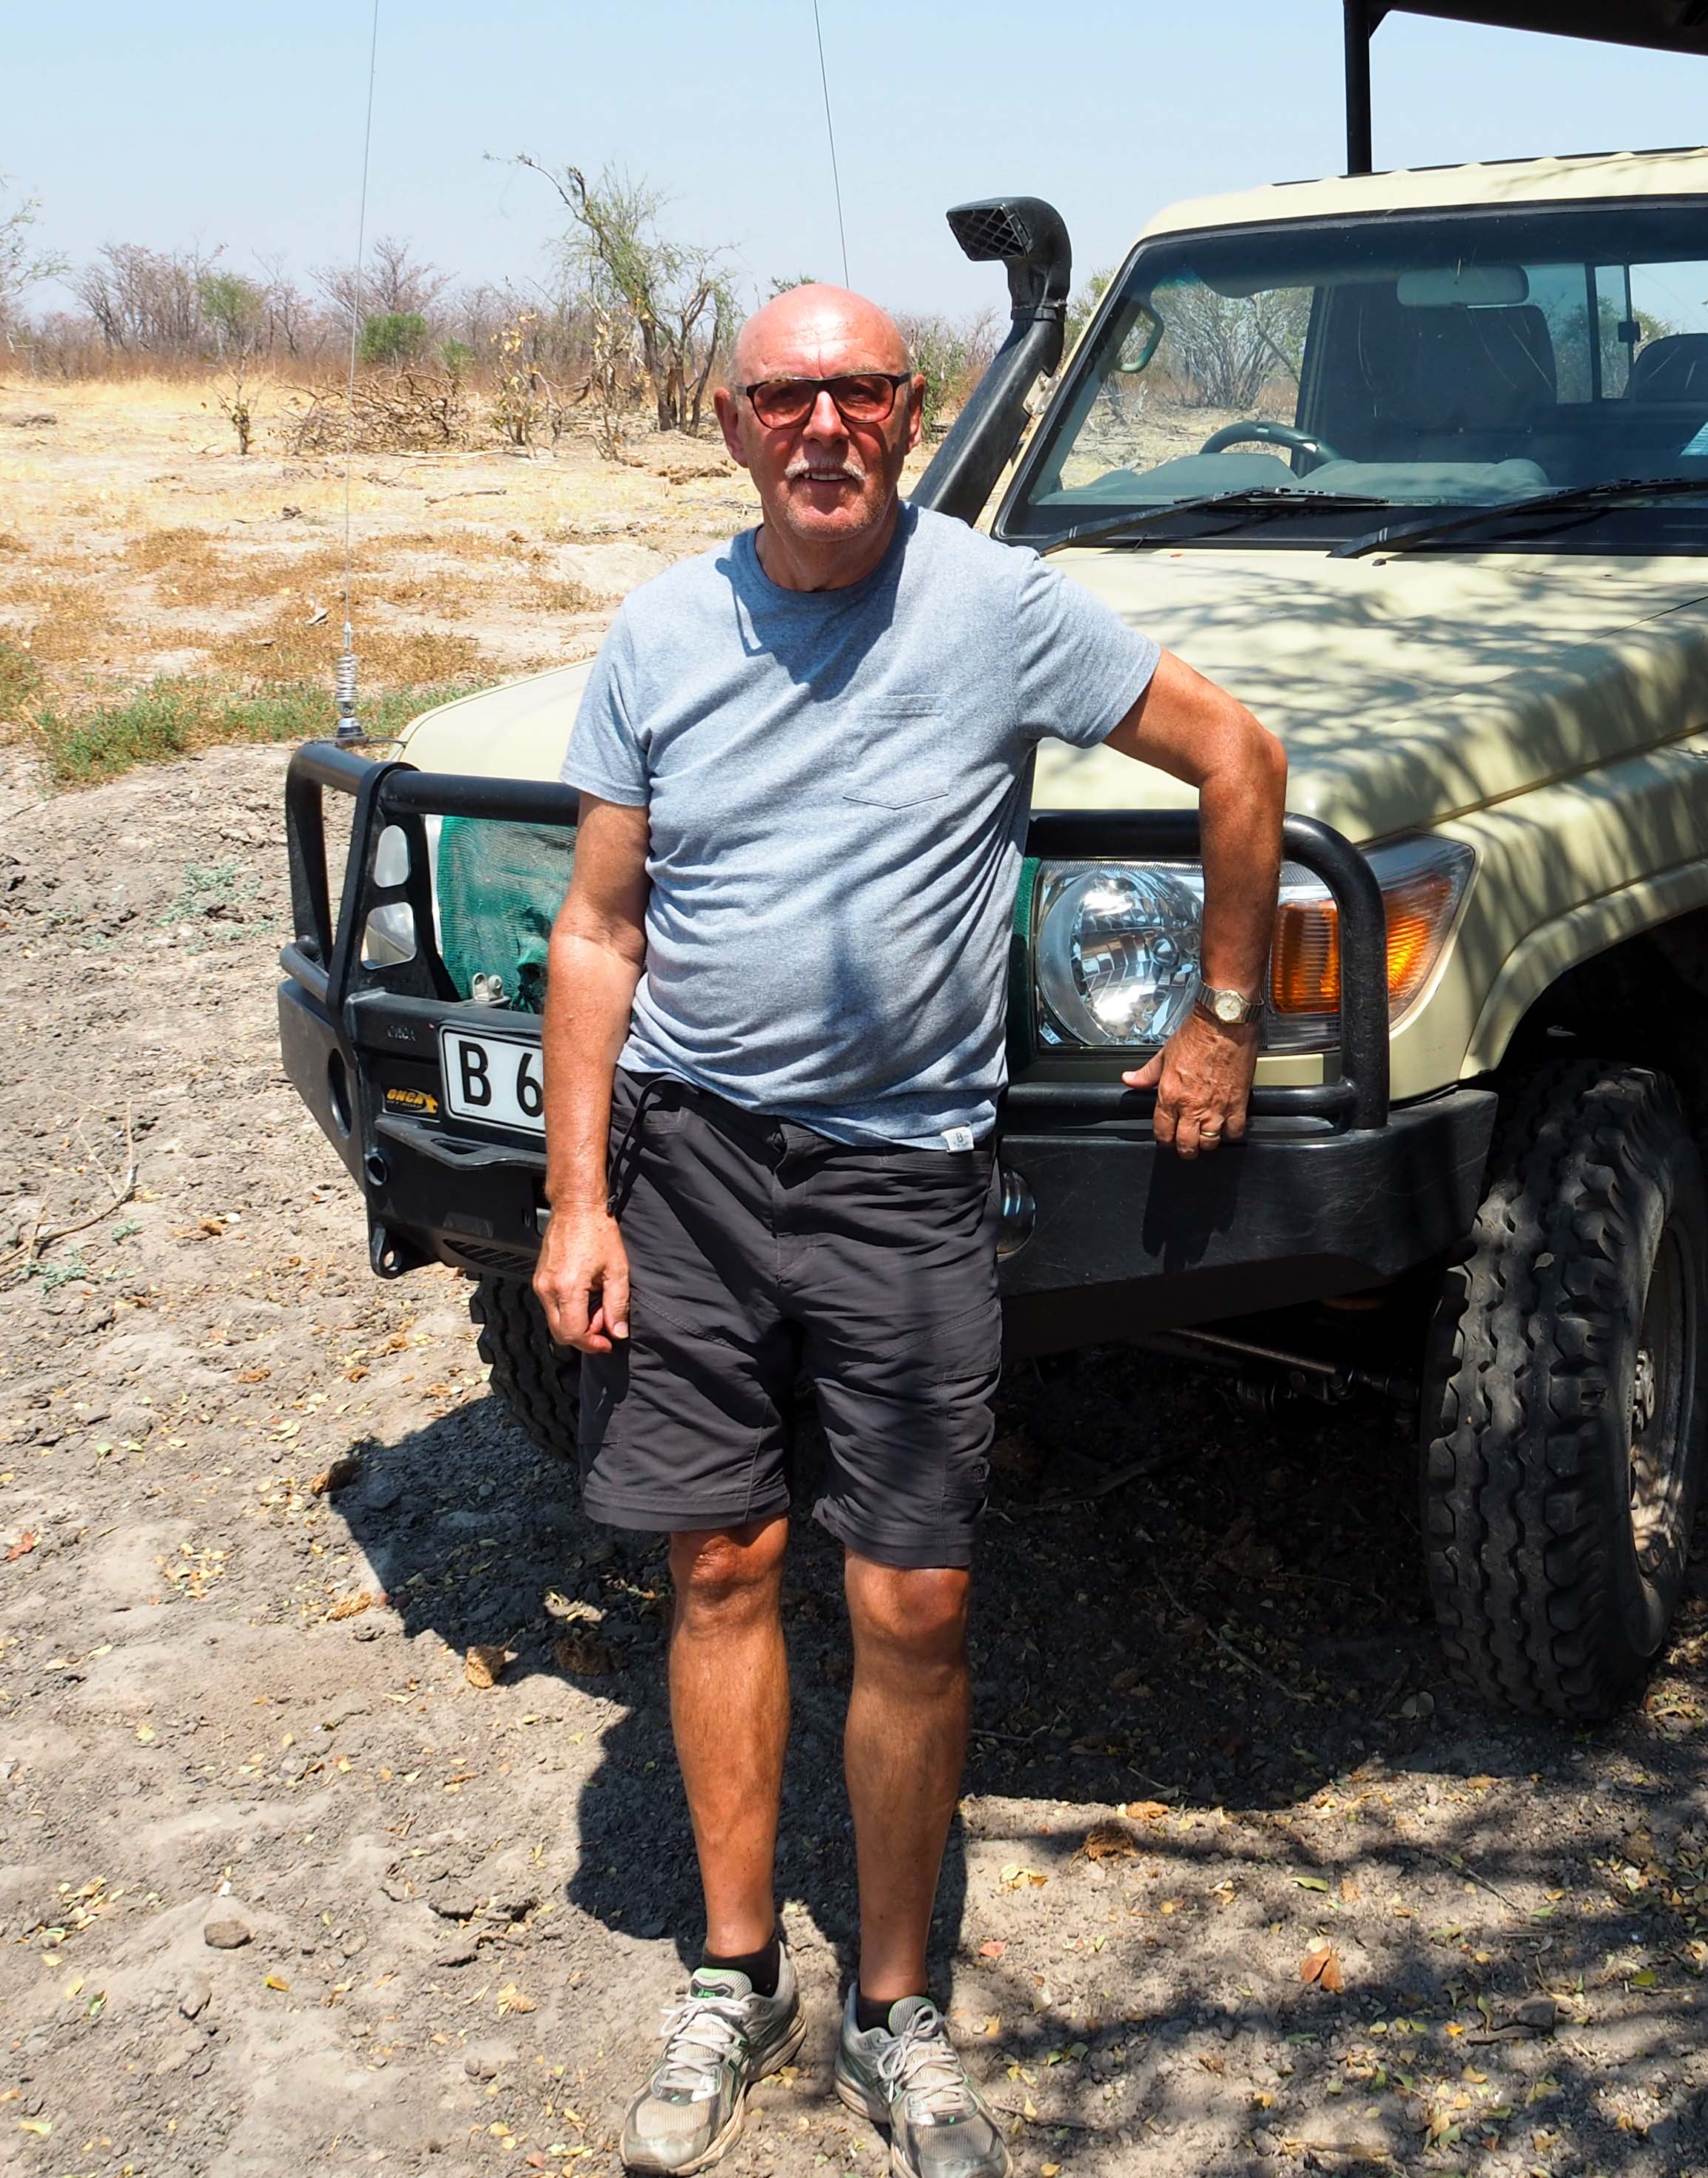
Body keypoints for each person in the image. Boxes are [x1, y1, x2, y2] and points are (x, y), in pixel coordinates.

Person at [532, 282, 1287, 2177]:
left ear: (909, 408)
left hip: (905, 1176)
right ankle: (729, 1979)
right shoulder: (658, 631)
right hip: (693, 1163)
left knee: (913, 1593)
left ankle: (892, 2007)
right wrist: (575, 1194)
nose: (824, 427)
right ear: (728, 422)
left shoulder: (996, 605)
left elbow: (1239, 760)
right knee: (717, 1566)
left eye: (858, 390)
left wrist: (1224, 1011)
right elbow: (598, 932)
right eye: (786, 395)